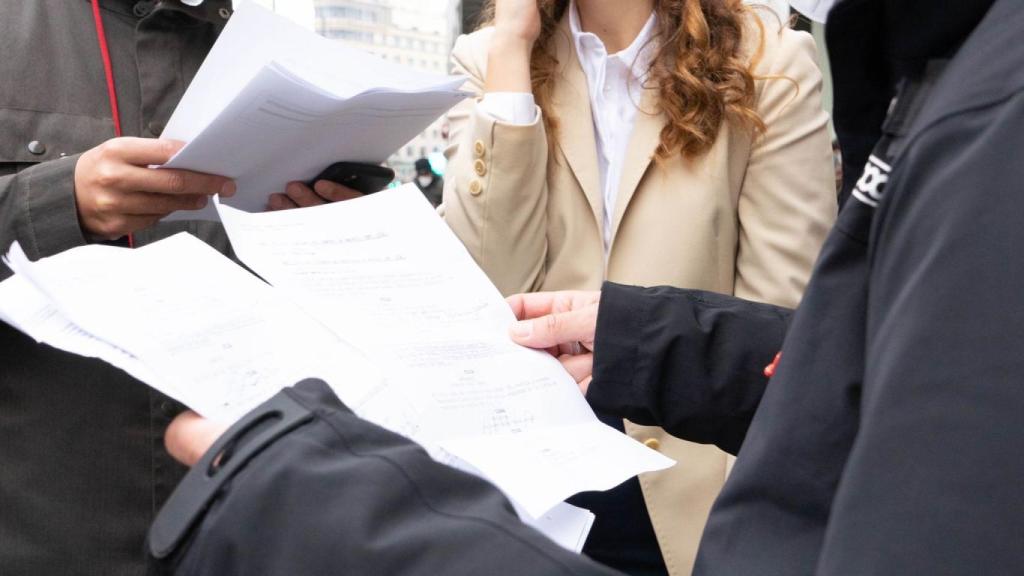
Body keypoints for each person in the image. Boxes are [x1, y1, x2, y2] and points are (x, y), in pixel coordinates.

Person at [148, 0, 1024, 574]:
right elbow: (486, 280)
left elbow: (790, 320)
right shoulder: (493, 56)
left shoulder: (772, 59)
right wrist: (509, 71)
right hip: (523, 449)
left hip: (694, 463)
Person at [441, 1, 837, 572]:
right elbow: (490, 291)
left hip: (693, 486)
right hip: (528, 482)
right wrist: (511, 52)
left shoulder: (769, 60)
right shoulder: (492, 55)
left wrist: (748, 536)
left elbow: (779, 326)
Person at [0, 2, 359, 573]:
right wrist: (53, 202)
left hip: (241, 529)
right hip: (45, 529)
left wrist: (331, 230)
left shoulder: (277, 56)